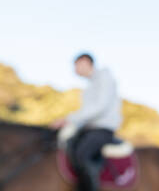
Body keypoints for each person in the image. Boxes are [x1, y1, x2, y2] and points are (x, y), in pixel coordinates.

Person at [51, 53, 122, 191]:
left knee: (81, 154)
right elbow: (87, 113)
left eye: (76, 65)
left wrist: (69, 119)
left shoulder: (104, 77)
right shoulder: (90, 86)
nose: (75, 70)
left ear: (85, 62)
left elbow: (100, 106)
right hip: (88, 129)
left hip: (102, 129)